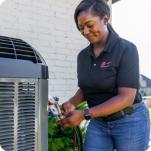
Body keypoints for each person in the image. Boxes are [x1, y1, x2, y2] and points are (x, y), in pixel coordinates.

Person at [58, 0, 150, 150]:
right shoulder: (83, 56)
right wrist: (72, 102)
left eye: (89, 25)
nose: (85, 32)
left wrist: (84, 114)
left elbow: (126, 98)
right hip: (99, 122)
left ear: (105, 19)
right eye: (81, 28)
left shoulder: (126, 49)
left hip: (130, 121)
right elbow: (87, 87)